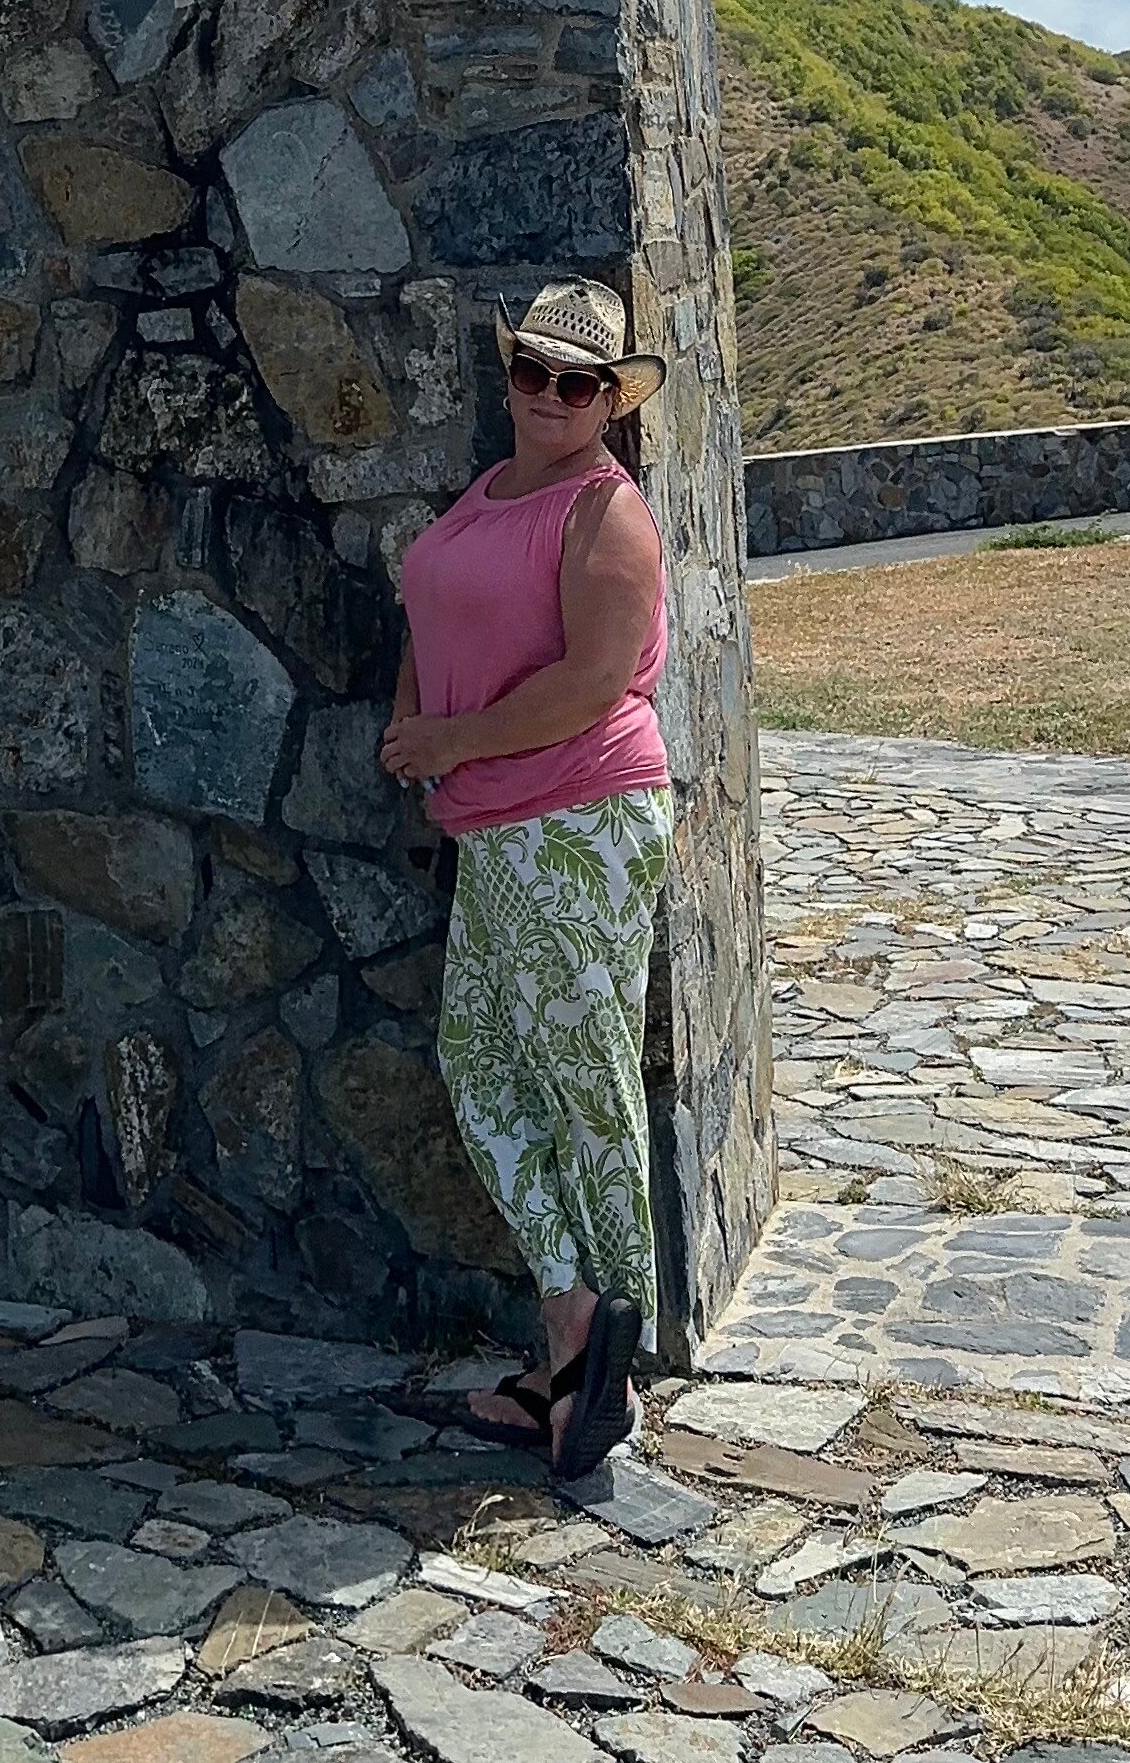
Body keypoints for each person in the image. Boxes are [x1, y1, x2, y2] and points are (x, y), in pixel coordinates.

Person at [381, 275, 676, 1484]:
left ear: (609, 401)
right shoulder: (491, 493)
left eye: (579, 383)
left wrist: (449, 741)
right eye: (533, 372)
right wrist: (418, 729)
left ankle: (603, 1350)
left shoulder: (607, 511)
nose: (552, 396)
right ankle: (571, 1318)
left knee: (579, 1074)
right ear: (507, 378)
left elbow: (592, 682)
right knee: (485, 1063)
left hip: (577, 820)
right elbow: (434, 616)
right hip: (500, 825)